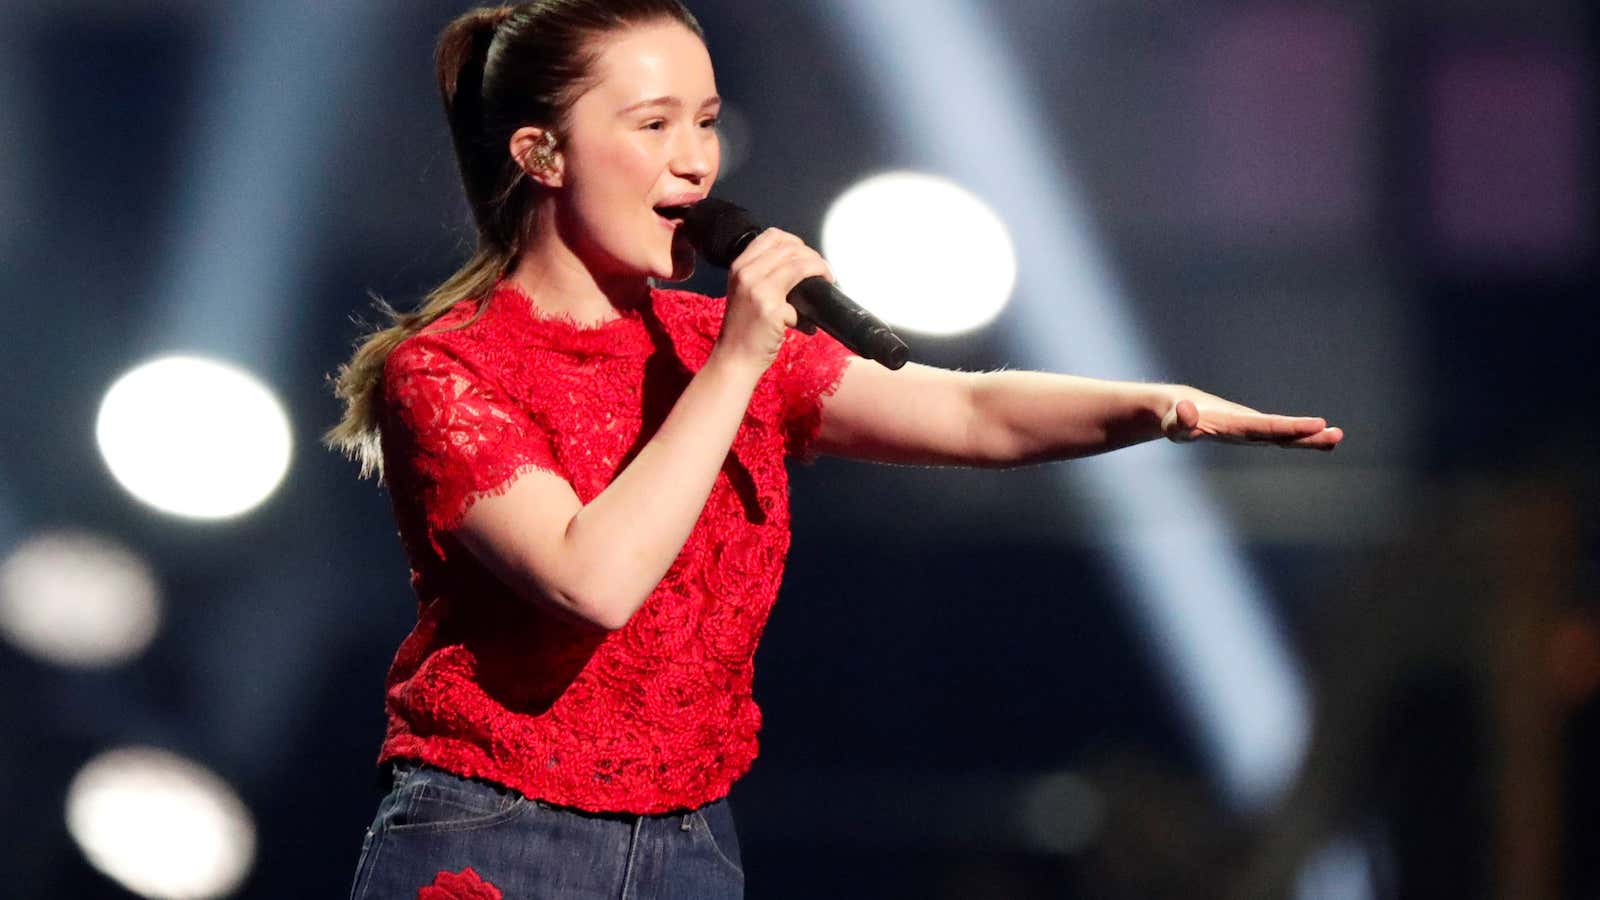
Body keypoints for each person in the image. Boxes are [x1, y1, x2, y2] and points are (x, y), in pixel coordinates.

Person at [323, 1, 1344, 897]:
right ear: (541, 153)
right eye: (653, 124)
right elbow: (590, 580)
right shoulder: (451, 372)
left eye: (708, 121)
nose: (697, 159)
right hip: (502, 834)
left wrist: (1158, 407)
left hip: (688, 839)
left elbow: (971, 415)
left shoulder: (712, 347)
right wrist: (733, 363)